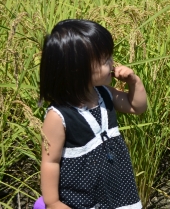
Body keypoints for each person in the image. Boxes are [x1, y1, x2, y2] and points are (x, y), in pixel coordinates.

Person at [38, 19, 147, 209]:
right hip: (81, 198)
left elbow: (136, 107)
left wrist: (134, 82)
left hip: (117, 191)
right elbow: (50, 162)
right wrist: (53, 202)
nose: (112, 63)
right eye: (105, 60)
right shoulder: (58, 117)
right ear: (77, 69)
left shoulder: (104, 93)